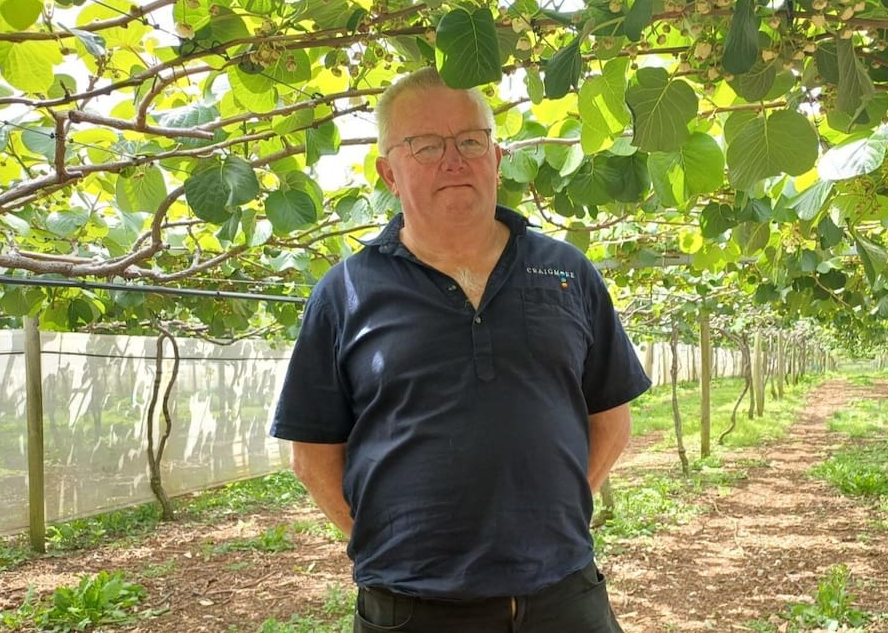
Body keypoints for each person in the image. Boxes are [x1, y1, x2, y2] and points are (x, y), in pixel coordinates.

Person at [270, 66, 651, 633]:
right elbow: (313, 455)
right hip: (413, 610)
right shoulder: (345, 292)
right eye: (424, 144)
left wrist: (552, 519)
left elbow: (611, 424)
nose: (453, 159)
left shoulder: (567, 272)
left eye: (471, 140)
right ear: (388, 173)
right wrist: (391, 545)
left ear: (496, 158)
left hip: (564, 599)